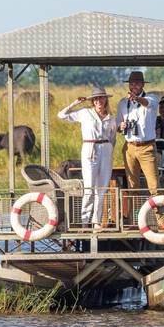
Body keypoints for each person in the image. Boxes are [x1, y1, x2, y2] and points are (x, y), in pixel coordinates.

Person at [57, 86, 118, 229]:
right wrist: (74, 103)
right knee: (89, 187)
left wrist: (108, 150)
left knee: (102, 189)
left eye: (101, 97)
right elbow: (61, 115)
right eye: (96, 98)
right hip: (90, 149)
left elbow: (113, 137)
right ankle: (85, 221)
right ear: (92, 101)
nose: (98, 101)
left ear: (105, 99)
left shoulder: (111, 118)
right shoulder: (85, 113)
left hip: (106, 149)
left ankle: (97, 222)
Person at [117, 71, 159, 196]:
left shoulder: (152, 98)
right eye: (131, 83)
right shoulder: (123, 103)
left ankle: (160, 216)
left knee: (154, 186)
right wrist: (121, 126)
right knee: (132, 186)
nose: (133, 86)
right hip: (129, 147)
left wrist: (136, 99)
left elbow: (146, 103)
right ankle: (135, 215)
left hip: (147, 147)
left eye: (137, 83)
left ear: (142, 85)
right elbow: (118, 126)